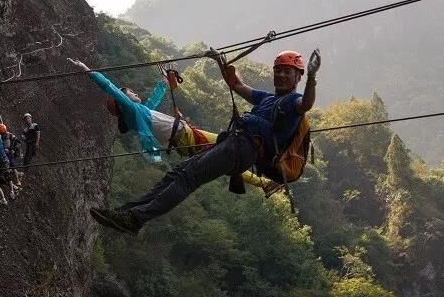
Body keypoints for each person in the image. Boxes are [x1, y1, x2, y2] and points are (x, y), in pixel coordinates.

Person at [89, 49, 321, 235]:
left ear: (297, 76)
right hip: (233, 142)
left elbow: (307, 104)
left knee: (189, 177)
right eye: (278, 70)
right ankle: (126, 212)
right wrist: (222, 64)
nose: (280, 75)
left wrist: (312, 78)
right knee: (177, 173)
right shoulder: (268, 98)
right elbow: (237, 85)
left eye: (287, 72)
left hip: (243, 148)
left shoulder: (294, 102)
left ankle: (135, 219)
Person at [68, 58, 274, 191]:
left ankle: (264, 182)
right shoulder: (131, 111)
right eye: (130, 93)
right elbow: (110, 88)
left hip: (187, 136)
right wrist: (89, 71)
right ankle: (266, 176)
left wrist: (163, 82)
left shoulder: (141, 114)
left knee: (230, 155)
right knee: (234, 147)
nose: (135, 93)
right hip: (186, 138)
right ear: (124, 103)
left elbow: (154, 101)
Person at [0, 123, 23, 187]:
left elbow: (19, 142)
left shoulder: (10, 135)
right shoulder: (0, 136)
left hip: (10, 152)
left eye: (3, 132)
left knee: (12, 166)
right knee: (7, 166)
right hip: (4, 153)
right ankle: (18, 175)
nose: (2, 134)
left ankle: (18, 181)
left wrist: (13, 149)